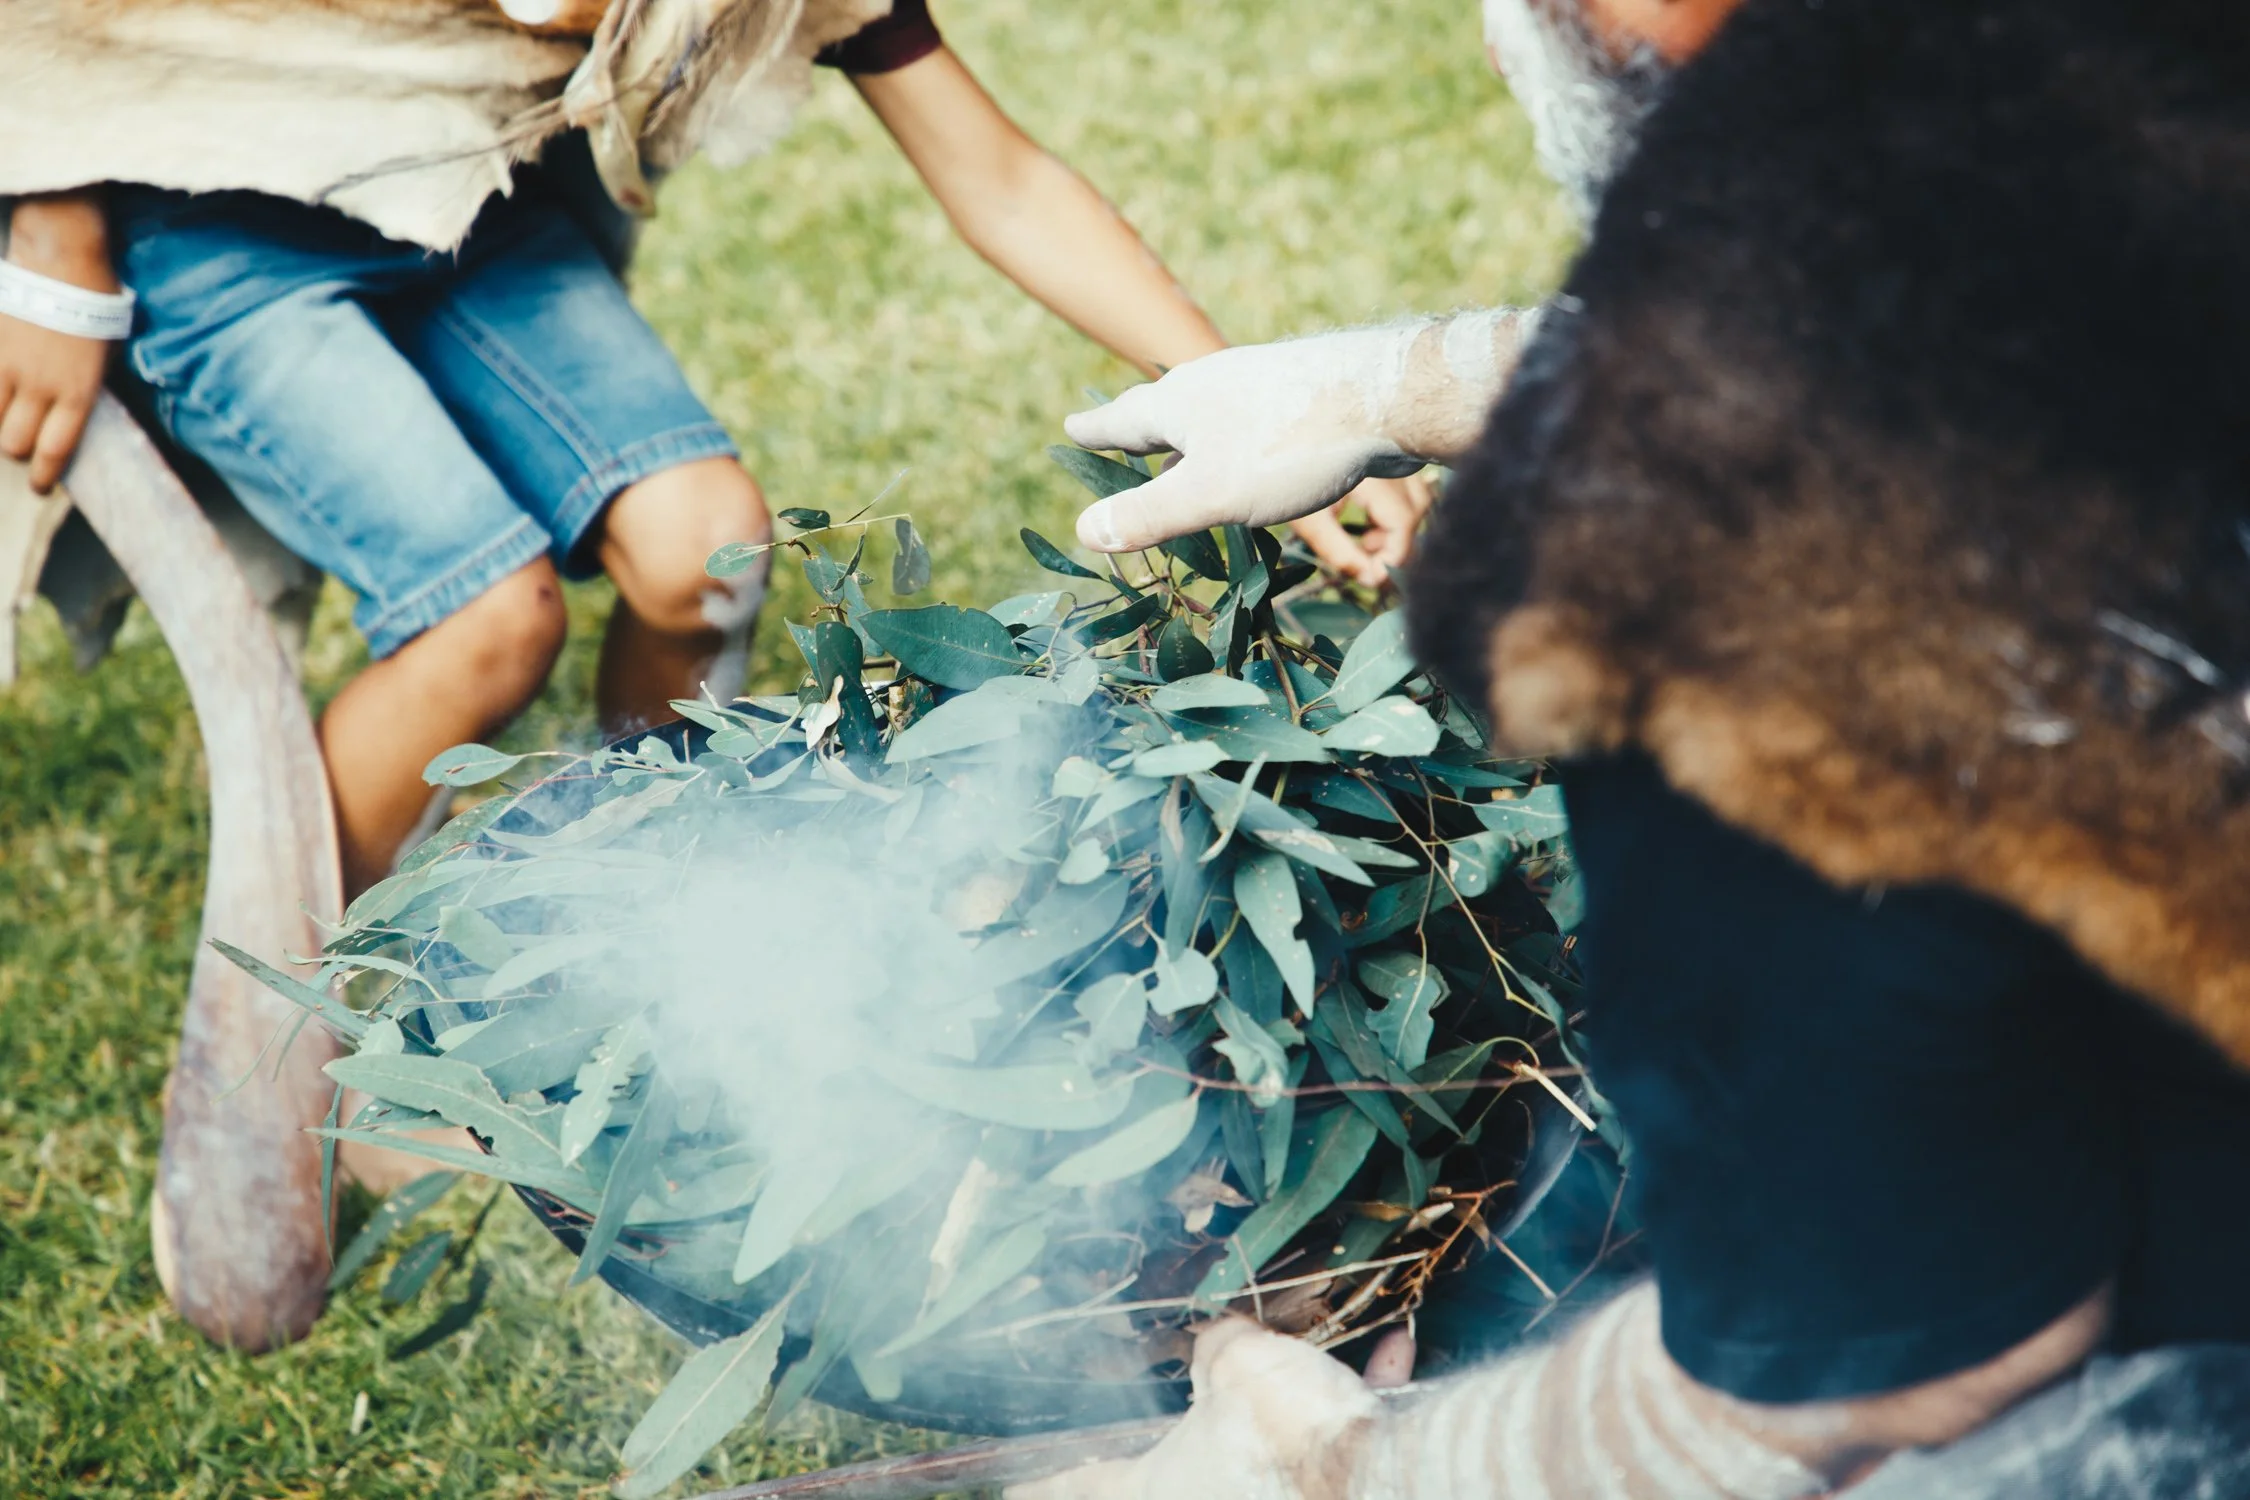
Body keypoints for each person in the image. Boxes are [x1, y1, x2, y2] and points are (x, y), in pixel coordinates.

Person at [1029, 0, 2250, 1494]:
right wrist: (1389, 382)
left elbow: (1897, 1365)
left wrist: (1325, 1466)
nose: (1492, 42)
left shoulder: (1729, 571)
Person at [0, 0, 1429, 900]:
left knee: (708, 555)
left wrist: (1258, 405)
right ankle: (318, 1005)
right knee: (485, 621)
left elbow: (1002, 180)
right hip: (216, 221)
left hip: (470, 204)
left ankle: (645, 916)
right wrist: (54, 241)